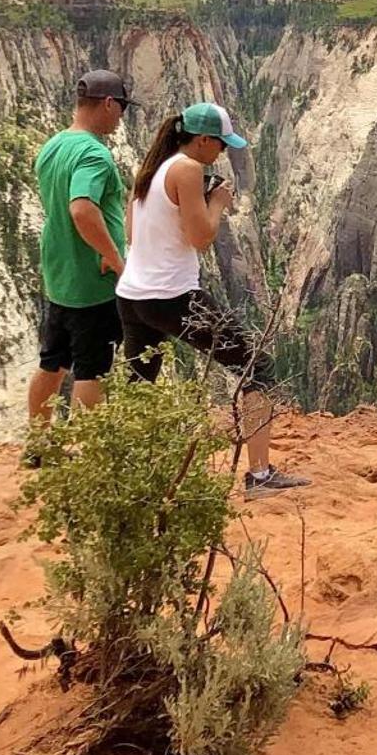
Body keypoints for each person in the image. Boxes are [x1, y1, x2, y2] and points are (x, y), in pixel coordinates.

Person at [117, 101, 308, 494]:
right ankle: (259, 476)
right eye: (220, 144)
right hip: (173, 295)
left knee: (138, 382)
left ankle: (123, 475)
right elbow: (201, 239)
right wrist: (217, 203)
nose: (222, 152)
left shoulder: (152, 168)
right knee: (258, 368)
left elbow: (132, 234)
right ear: (203, 140)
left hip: (133, 295)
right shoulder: (188, 168)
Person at [28, 69, 131, 434]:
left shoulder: (54, 145)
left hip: (60, 276)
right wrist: (113, 257)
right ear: (107, 103)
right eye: (121, 108)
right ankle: (91, 456)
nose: (121, 117)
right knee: (93, 368)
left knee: (52, 361)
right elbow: (82, 207)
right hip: (92, 282)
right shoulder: (94, 154)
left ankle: (39, 444)